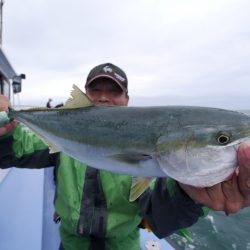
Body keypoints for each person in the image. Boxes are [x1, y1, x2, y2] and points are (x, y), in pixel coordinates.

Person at [0, 63, 250, 250]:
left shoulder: (159, 168)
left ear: (127, 99)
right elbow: (13, 151)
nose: (104, 96)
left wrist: (189, 198)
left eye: (114, 91)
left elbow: (161, 216)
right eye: (95, 90)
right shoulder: (60, 138)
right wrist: (3, 133)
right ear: (83, 97)